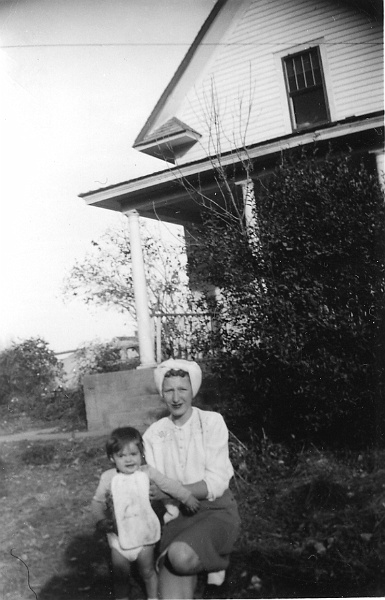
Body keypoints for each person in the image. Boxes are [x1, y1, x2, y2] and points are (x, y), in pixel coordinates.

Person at [143, 358, 240, 600]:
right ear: (162, 394)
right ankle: (208, 564)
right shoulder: (154, 434)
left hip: (216, 510)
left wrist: (171, 491)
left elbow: (217, 481)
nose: (176, 398)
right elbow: (155, 487)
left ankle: (219, 564)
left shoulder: (211, 421)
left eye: (182, 389)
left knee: (180, 557)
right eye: (169, 390)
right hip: (177, 515)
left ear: (192, 391)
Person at [91, 426, 200, 600]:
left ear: (141, 454)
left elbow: (168, 484)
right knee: (120, 574)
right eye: (121, 456)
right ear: (112, 458)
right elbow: (97, 502)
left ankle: (153, 597)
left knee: (147, 571)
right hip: (119, 536)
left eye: (133, 454)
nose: (128, 460)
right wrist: (100, 520)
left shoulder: (147, 472)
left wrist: (187, 497)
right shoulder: (108, 478)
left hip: (144, 533)